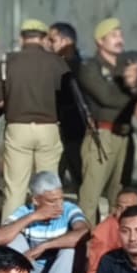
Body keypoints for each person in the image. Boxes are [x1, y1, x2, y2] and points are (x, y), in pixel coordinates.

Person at [0, 19, 70, 213]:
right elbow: (66, 99)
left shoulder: (7, 61)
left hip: (18, 128)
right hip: (48, 127)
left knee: (14, 189)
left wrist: (15, 102)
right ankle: (49, 228)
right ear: (44, 38)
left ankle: (12, 231)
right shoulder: (57, 62)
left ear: (21, 38)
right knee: (48, 188)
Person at [0, 171, 90, 273]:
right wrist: (33, 217)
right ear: (36, 200)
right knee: (14, 240)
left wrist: (44, 246)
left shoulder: (69, 209)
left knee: (69, 247)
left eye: (60, 199)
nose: (59, 206)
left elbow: (84, 233)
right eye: (52, 201)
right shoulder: (25, 212)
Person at [77, 18, 137, 221]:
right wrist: (134, 92)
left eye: (120, 34)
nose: (119, 39)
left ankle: (117, 235)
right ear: (100, 41)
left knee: (120, 195)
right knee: (91, 196)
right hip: (102, 135)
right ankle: (86, 236)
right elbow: (107, 98)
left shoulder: (127, 64)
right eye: (113, 35)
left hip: (124, 134)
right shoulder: (90, 66)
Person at [47, 22, 86, 193]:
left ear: (66, 41)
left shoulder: (72, 67)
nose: (49, 44)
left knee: (78, 175)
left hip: (73, 130)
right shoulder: (63, 64)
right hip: (66, 128)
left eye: (53, 40)